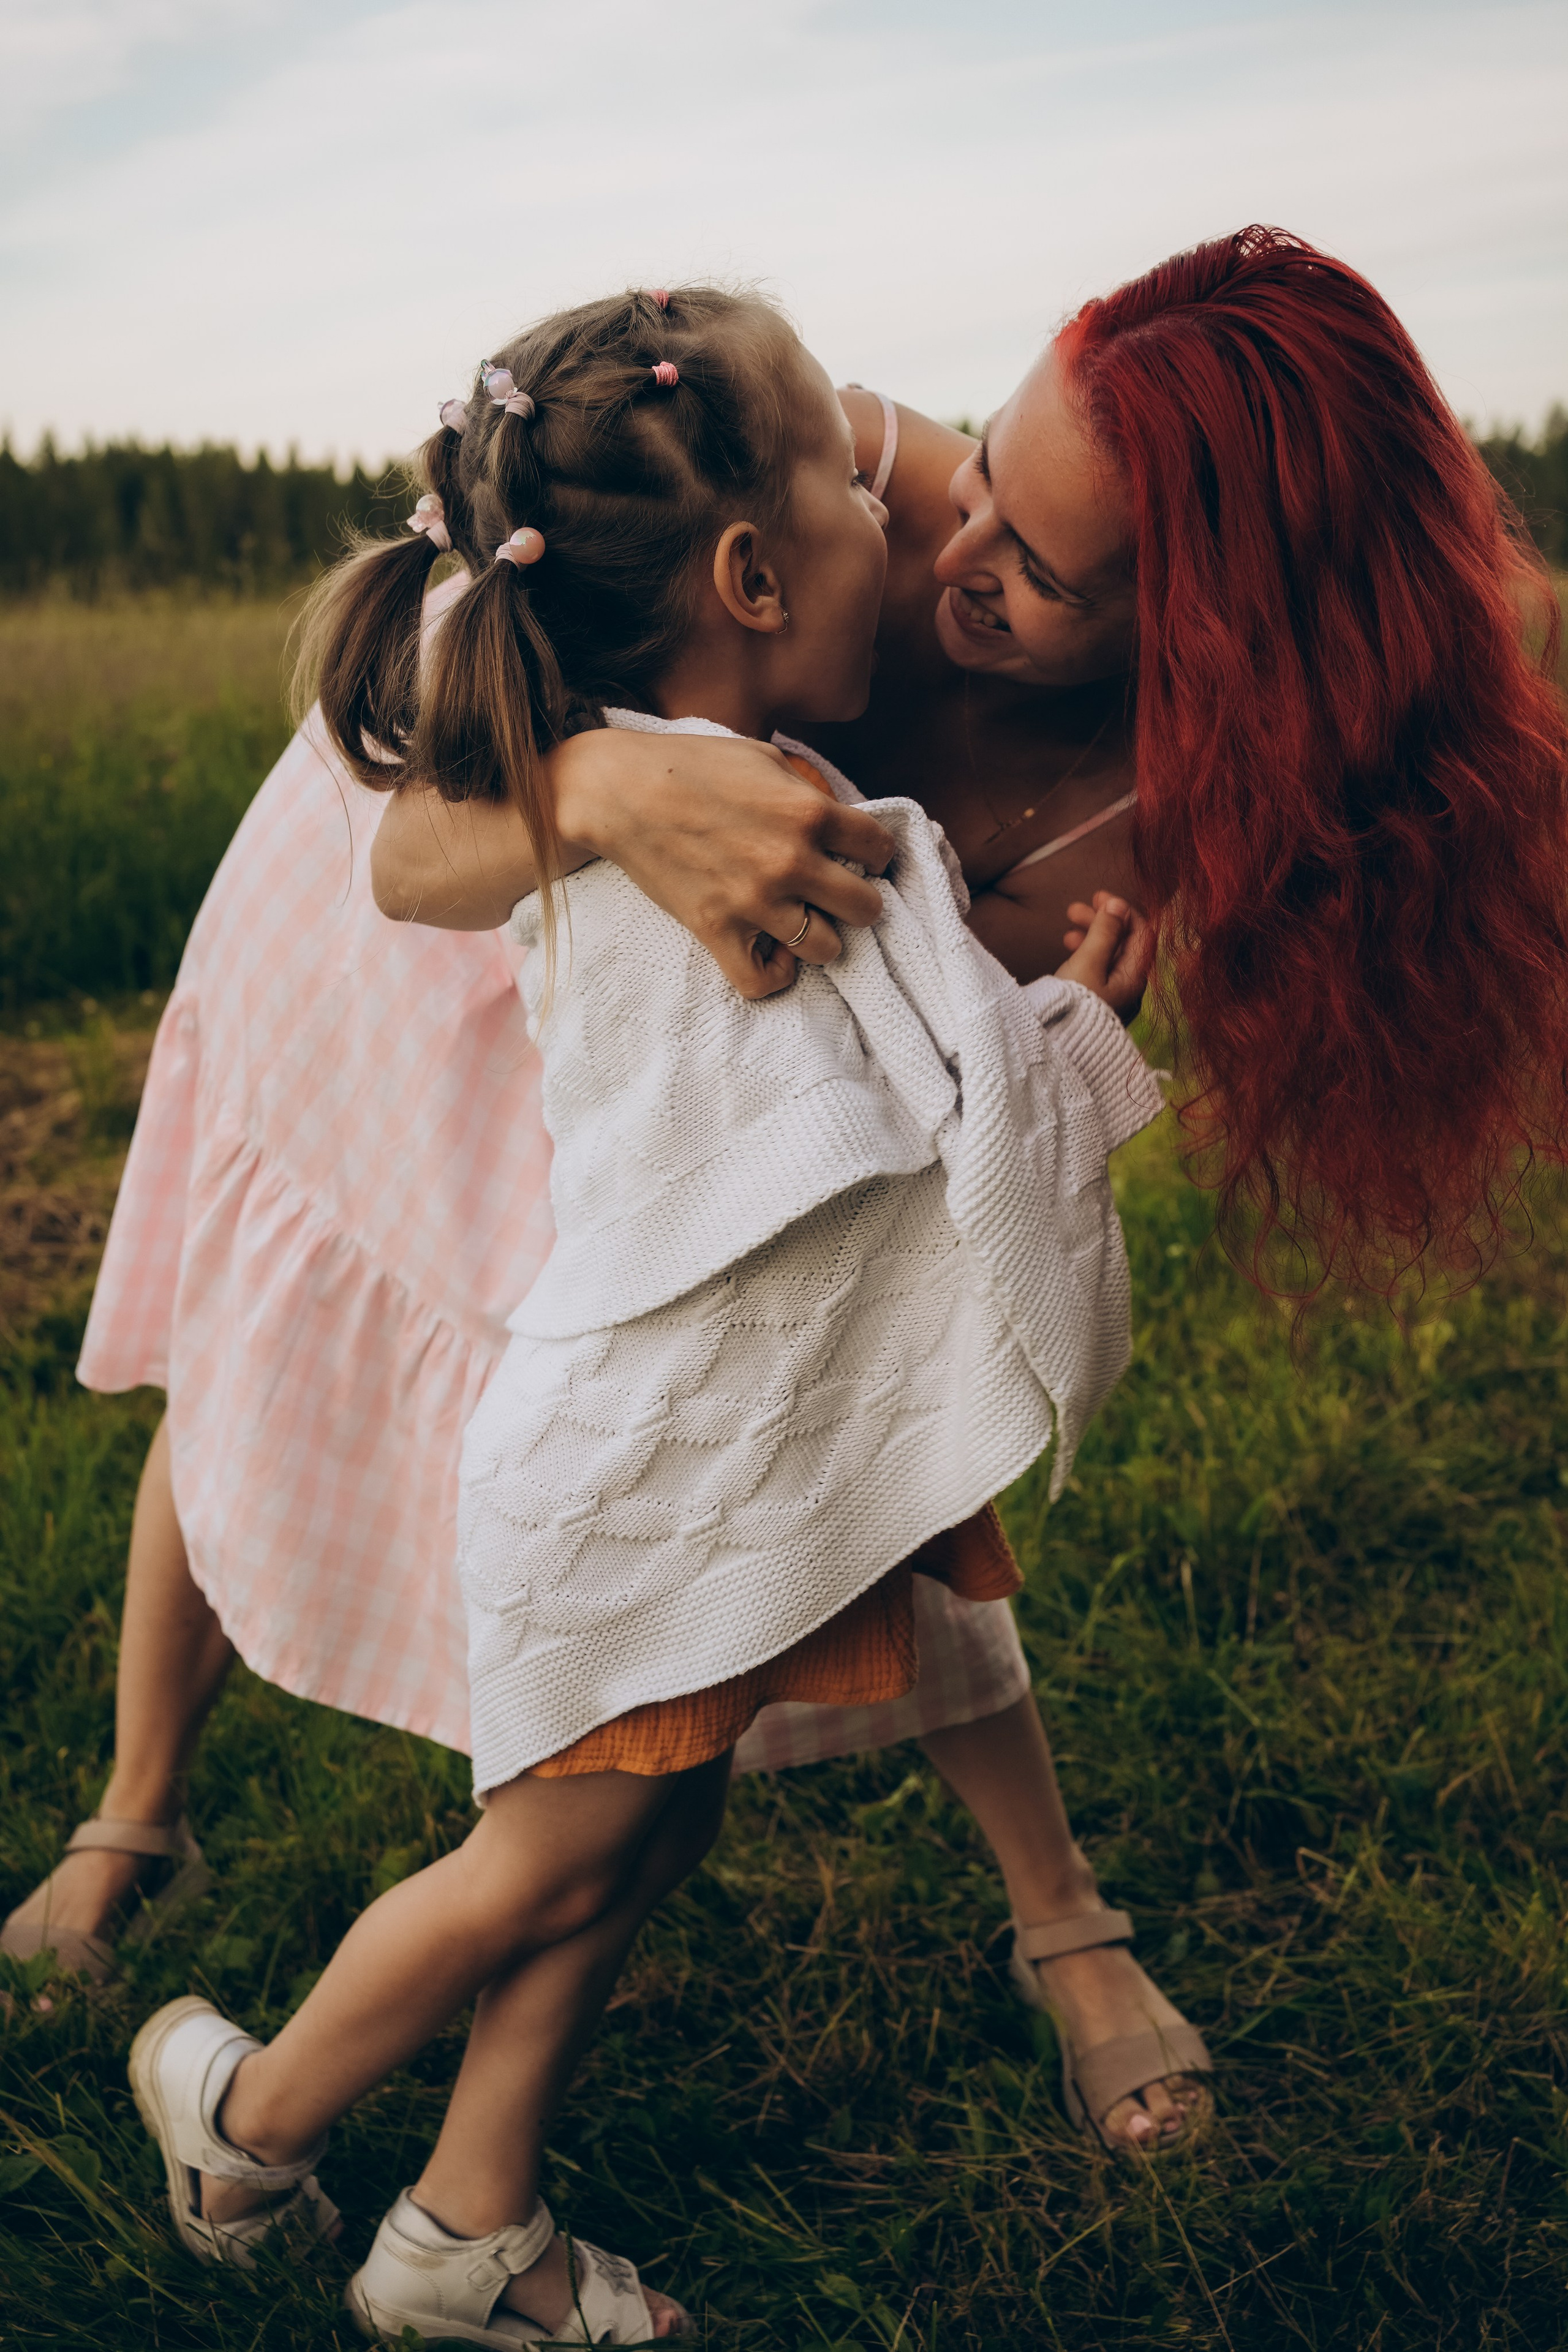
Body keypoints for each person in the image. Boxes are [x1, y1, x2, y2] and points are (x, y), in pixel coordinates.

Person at [123, 284, 1167, 2346]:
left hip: (668, 1448)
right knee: (537, 1869)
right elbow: (895, 1119)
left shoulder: (728, 764)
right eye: (869, 505)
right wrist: (1080, 1041)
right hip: (639, 1467)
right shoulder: (735, 820)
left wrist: (1035, 1012)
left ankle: (463, 2228)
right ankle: (242, 2114)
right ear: (759, 569)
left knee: (642, 1831)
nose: (918, 530)